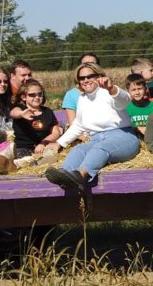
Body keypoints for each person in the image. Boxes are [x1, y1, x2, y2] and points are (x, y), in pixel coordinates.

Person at [44, 63, 140, 192]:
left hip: (123, 136)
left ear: (99, 76)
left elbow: (125, 100)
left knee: (100, 149)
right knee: (78, 150)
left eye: (90, 76)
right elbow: (78, 125)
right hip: (96, 139)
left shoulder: (109, 93)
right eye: (82, 78)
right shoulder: (82, 99)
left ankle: (80, 176)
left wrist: (111, 88)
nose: (86, 80)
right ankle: (64, 175)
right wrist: (59, 143)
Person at [0, 79, 61, 174]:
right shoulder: (20, 109)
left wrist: (43, 143)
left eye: (40, 94)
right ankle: (13, 164)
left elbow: (56, 132)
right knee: (24, 157)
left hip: (44, 147)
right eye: (32, 95)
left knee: (51, 152)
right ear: (24, 97)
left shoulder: (48, 112)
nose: (37, 97)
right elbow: (13, 113)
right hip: (24, 147)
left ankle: (40, 163)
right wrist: (22, 114)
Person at [62, 53, 100, 125]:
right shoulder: (71, 95)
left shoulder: (109, 91)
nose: (89, 67)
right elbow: (73, 124)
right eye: (85, 64)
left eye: (92, 64)